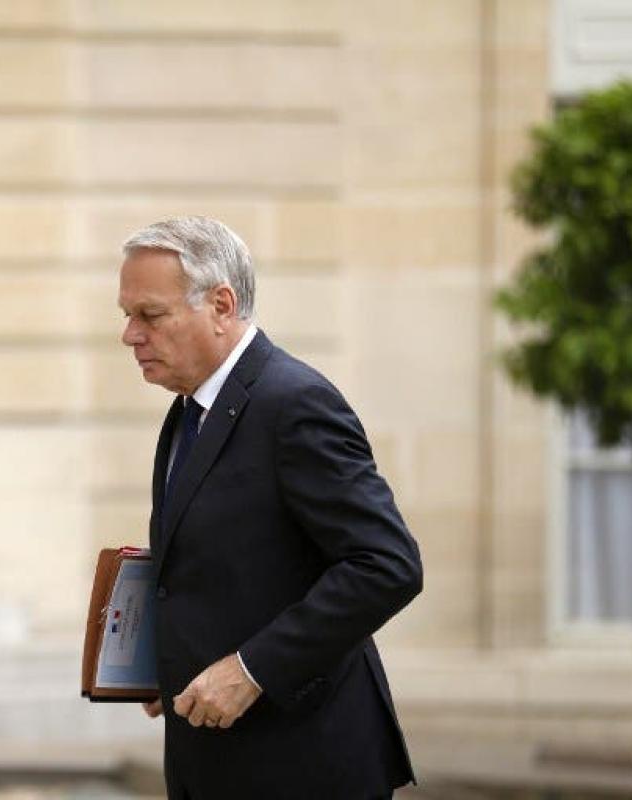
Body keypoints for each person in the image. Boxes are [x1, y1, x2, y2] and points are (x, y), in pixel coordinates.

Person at [117, 216, 423, 799]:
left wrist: (252, 670)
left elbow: (387, 565)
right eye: (127, 315)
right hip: (217, 762)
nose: (130, 335)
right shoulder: (188, 410)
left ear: (221, 306)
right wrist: (166, 660)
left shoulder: (296, 403)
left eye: (150, 315)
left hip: (304, 765)